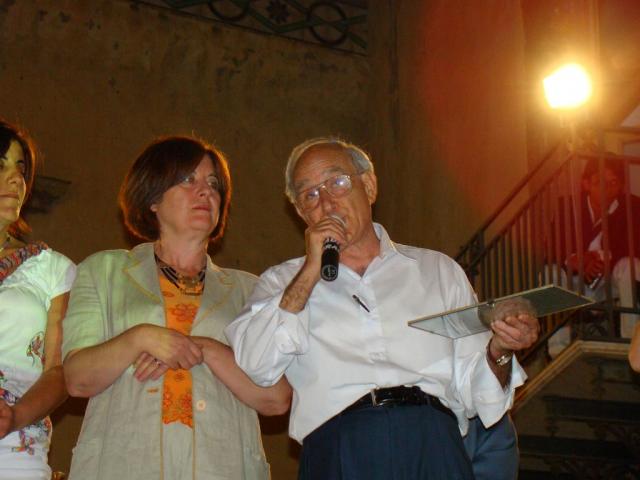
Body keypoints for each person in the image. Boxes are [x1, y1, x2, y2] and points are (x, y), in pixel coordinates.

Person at [226, 137, 540, 479]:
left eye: (337, 182)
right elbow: (257, 365)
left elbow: (478, 393)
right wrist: (310, 272)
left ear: (369, 186)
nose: (326, 202)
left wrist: (500, 351)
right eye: (310, 195)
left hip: (433, 441)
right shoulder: (281, 283)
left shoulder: (437, 271)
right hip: (339, 447)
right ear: (302, 213)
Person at [62, 136, 291, 479]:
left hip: (222, 467)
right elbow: (77, 379)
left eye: (213, 184)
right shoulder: (102, 271)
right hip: (124, 465)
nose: (205, 192)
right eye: (187, 179)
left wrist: (205, 348)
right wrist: (141, 337)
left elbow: (276, 398)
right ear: (153, 198)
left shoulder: (251, 289)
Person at [0, 119, 75, 479]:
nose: (16, 179)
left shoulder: (52, 268)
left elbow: (59, 371)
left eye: (21, 168)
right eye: (1, 165)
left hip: (14, 444)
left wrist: (14, 416)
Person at [547, 156, 640, 357]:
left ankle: (631, 340)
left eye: (614, 182)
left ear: (621, 186)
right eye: (600, 183)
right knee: (549, 273)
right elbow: (552, 248)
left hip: (609, 281)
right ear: (586, 184)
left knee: (630, 265)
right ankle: (558, 348)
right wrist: (574, 260)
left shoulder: (632, 207)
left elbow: (635, 246)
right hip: (574, 282)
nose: (608, 189)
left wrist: (600, 259)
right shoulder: (568, 206)